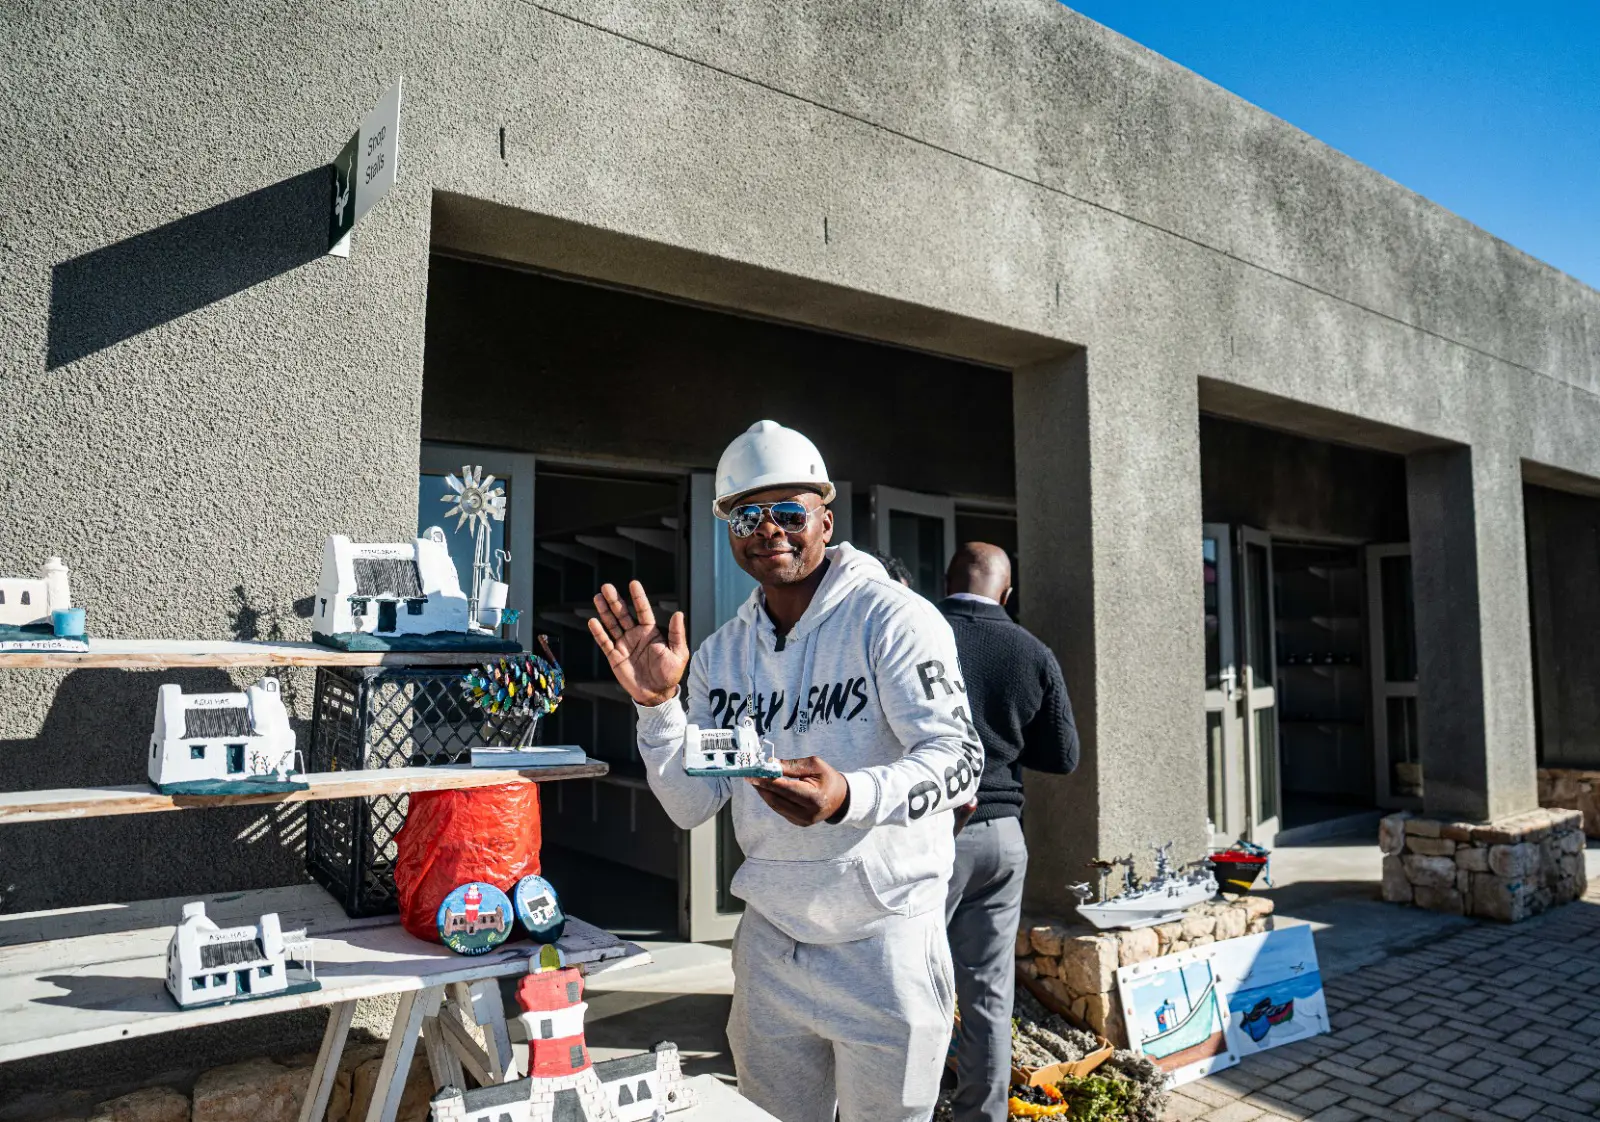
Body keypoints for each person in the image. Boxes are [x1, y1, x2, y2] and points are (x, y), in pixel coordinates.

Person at [585, 420, 983, 1122]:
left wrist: (850, 795)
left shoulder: (893, 620)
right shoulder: (720, 655)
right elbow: (690, 804)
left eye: (789, 513)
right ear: (730, 534)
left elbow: (960, 759)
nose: (769, 530)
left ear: (825, 520)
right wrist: (658, 707)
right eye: (747, 516)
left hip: (884, 940)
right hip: (771, 945)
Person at [938, 542, 1079, 1122]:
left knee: (906, 981)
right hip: (1002, 836)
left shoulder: (918, 632)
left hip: (934, 833)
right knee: (989, 995)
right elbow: (1064, 755)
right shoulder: (1031, 650)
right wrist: (1006, 742)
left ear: (945, 581)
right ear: (1007, 592)